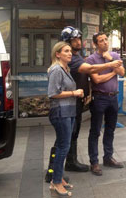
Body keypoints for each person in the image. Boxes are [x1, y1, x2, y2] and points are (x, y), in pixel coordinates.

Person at [45, 27, 123, 182]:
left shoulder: (75, 56)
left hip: (75, 104)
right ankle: (52, 171)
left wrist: (86, 93)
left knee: (72, 135)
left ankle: (71, 162)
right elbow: (91, 70)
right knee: (63, 139)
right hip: (65, 106)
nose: (78, 42)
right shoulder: (69, 60)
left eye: (79, 39)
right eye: (74, 40)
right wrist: (111, 64)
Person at [86, 32, 125, 176]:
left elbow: (122, 72)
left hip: (113, 98)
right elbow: (97, 80)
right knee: (95, 131)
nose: (105, 43)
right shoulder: (91, 60)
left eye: (106, 40)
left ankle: (108, 157)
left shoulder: (114, 56)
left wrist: (110, 60)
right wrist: (113, 72)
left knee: (110, 129)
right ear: (95, 44)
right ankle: (94, 162)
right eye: (101, 41)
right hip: (99, 98)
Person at [47, 41, 83, 197]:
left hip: (68, 112)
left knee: (64, 146)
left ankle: (58, 178)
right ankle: (55, 182)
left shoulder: (65, 69)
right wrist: (75, 93)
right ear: (58, 54)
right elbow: (53, 93)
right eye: (66, 51)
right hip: (60, 113)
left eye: (70, 51)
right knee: (63, 147)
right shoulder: (56, 70)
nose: (70, 53)